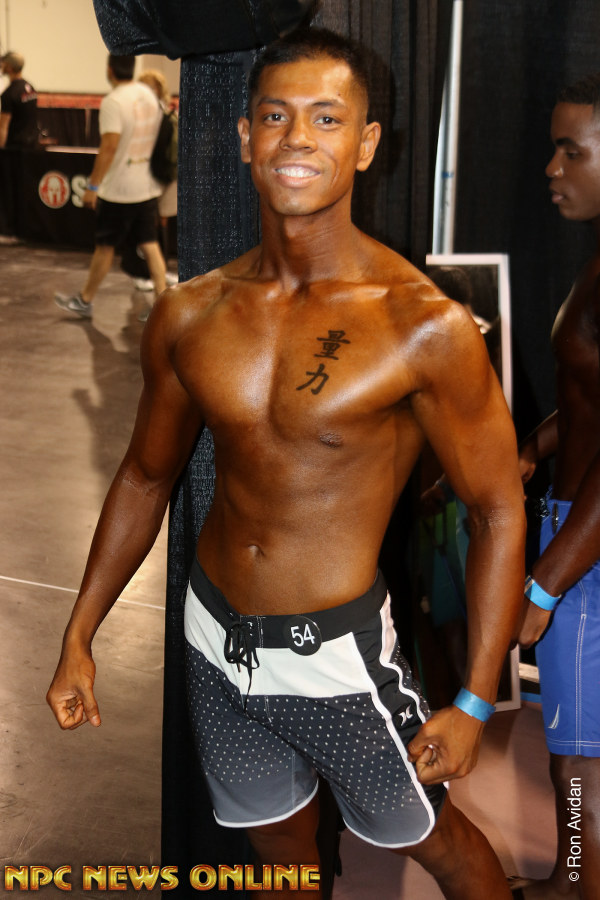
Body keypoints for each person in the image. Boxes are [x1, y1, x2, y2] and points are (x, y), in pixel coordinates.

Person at [47, 28, 525, 899]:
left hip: (336, 658)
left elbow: (497, 508)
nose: (297, 138)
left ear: (366, 144)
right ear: (243, 136)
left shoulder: (423, 326)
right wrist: (81, 632)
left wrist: (476, 700)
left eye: (326, 118)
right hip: (213, 638)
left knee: (443, 846)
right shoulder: (191, 313)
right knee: (279, 856)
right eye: (275, 116)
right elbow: (146, 477)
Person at [516, 72, 600, 900]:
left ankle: (575, 886)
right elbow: (589, 404)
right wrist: (531, 449)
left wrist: (546, 581)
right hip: (579, 529)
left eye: (571, 151)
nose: (552, 167)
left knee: (578, 751)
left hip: (585, 544)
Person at [54, 54, 166, 320]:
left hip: (119, 192)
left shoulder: (113, 102)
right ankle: (163, 306)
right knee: (150, 244)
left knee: (105, 246)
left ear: (110, 70)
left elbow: (109, 147)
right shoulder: (149, 96)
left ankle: (85, 300)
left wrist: (92, 186)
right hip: (146, 186)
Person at [0, 51, 38, 150]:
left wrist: (1, 151)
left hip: (16, 147)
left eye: (4, 63)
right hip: (32, 144)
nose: (2, 65)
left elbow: (3, 127)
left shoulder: (9, 94)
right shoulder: (30, 87)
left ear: (9, 67)